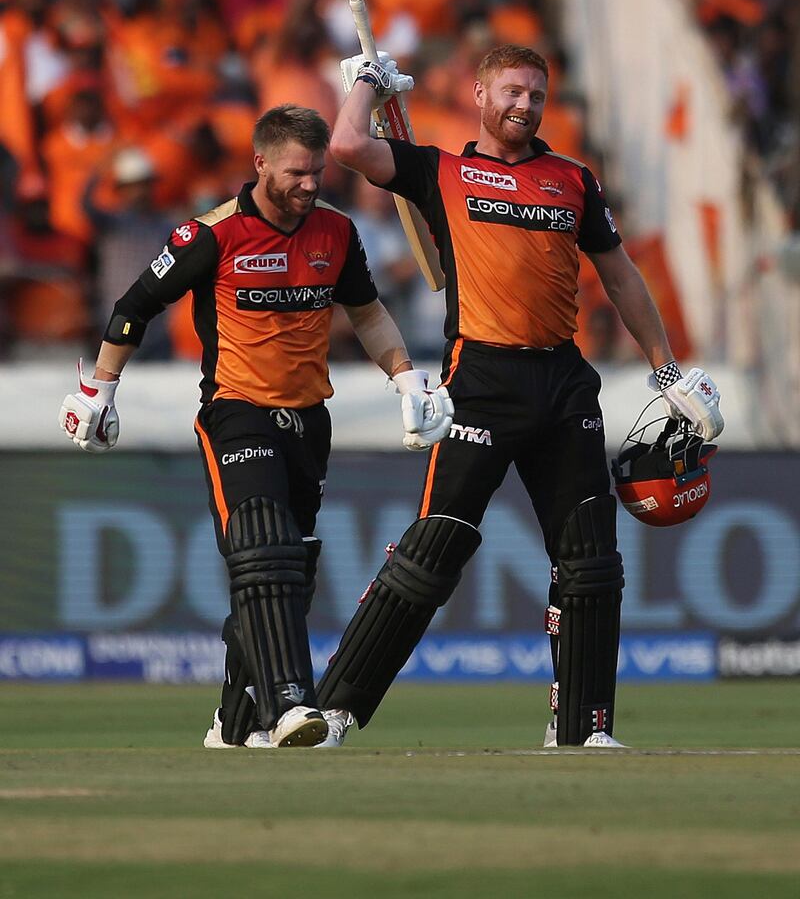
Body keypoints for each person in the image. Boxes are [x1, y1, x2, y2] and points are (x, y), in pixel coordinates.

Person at [313, 44, 725, 748]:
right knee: (432, 550)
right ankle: (336, 711)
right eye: (510, 92)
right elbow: (349, 145)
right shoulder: (441, 169)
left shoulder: (573, 181)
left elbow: (621, 277)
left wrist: (666, 371)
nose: (524, 106)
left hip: (562, 382)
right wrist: (368, 86)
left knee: (591, 560)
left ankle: (583, 728)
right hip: (480, 381)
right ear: (479, 94)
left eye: (535, 94)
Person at [58, 104, 453, 749]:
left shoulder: (335, 231)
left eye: (317, 172)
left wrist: (407, 377)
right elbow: (135, 305)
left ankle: (233, 725)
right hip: (236, 409)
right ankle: (291, 707)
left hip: (308, 419)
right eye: (297, 172)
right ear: (260, 163)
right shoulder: (211, 235)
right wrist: (98, 390)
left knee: (288, 572)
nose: (309, 184)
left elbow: (368, 312)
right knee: (264, 549)